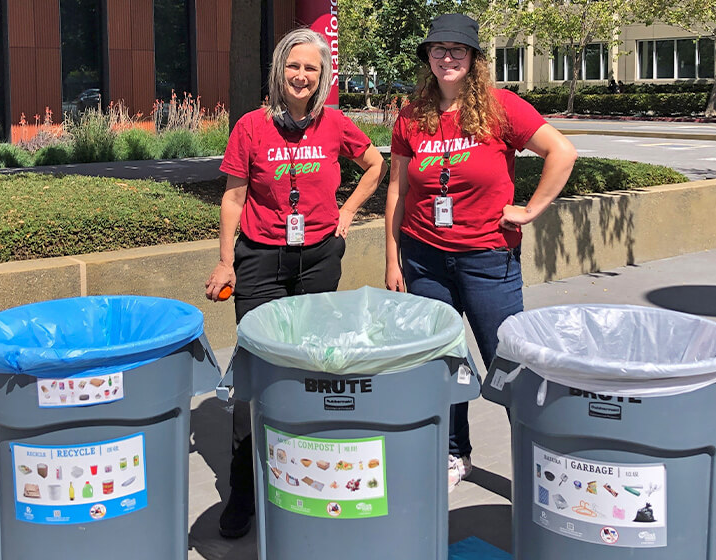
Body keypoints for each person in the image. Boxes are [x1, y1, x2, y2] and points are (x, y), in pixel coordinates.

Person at [205, 27, 387, 538]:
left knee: (312, 362)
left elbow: (374, 165)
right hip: (261, 260)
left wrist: (348, 212)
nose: (301, 76)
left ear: (322, 75)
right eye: (293, 66)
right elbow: (232, 199)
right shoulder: (250, 127)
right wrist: (226, 263)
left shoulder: (334, 124)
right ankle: (243, 490)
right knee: (255, 368)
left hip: (318, 259)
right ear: (278, 71)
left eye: (311, 68)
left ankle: (306, 471)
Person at [384, 14, 577, 492]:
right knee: (442, 360)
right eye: (438, 50)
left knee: (508, 363)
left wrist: (531, 210)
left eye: (458, 50)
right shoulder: (411, 113)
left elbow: (562, 151)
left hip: (488, 259)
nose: (447, 58)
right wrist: (393, 258)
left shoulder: (500, 108)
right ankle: (454, 454)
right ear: (426, 58)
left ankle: (540, 463)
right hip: (424, 257)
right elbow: (397, 188)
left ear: (473, 59)